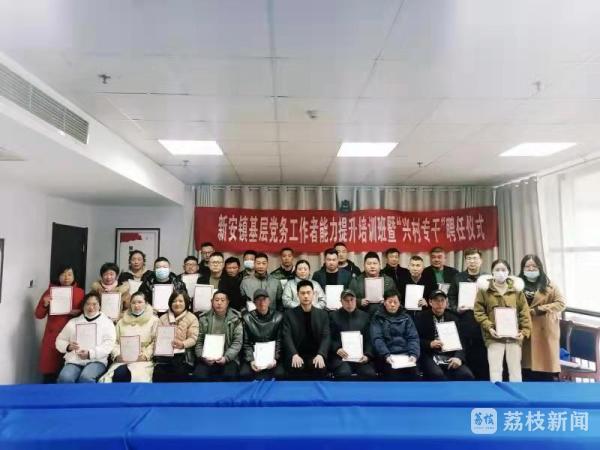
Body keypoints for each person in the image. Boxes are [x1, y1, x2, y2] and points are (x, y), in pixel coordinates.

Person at [474, 259, 532, 382]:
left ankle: (516, 394)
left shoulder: (517, 291)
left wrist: (524, 331)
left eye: (503, 270)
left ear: (508, 272)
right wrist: (489, 327)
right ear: (492, 272)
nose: (500, 272)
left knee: (515, 370)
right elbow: (479, 312)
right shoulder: (484, 290)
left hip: (514, 336)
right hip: (493, 336)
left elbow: (524, 312)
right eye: (497, 269)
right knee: (495, 370)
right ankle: (496, 394)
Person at [35, 264, 85, 383]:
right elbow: (38, 315)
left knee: (68, 370)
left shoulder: (80, 292)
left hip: (72, 336)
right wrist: (44, 304)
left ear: (74, 276)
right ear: (58, 276)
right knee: (50, 371)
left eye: (69, 274)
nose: (66, 277)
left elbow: (87, 314)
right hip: (52, 336)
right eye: (63, 274)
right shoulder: (50, 291)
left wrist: (78, 312)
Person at [518, 254, 566, 381]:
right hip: (524, 328)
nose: (531, 269)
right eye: (527, 266)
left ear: (540, 267)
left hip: (544, 329)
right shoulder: (516, 285)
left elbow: (561, 304)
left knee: (544, 367)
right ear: (522, 268)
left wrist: (540, 309)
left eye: (534, 266)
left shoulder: (550, 285)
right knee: (526, 367)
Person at [447, 248, 489, 381]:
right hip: (464, 319)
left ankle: (483, 382)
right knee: (467, 351)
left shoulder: (487, 278)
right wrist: (456, 308)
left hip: (483, 321)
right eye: (469, 259)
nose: (472, 261)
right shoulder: (458, 277)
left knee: (482, 354)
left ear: (481, 260)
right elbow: (451, 297)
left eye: (475, 258)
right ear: (465, 261)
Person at [55, 292, 116, 383]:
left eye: (94, 304)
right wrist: (68, 346)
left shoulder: (107, 322)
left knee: (86, 378)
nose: (91, 307)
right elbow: (60, 340)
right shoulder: (73, 322)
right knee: (65, 378)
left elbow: (109, 344)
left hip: (96, 360)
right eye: (87, 304)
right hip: (75, 360)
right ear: (83, 306)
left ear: (99, 306)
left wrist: (90, 354)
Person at [100, 291, 159, 383]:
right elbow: (114, 341)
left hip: (142, 360)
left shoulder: (154, 321)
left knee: (137, 378)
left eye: (140, 302)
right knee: (117, 375)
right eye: (133, 303)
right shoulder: (121, 322)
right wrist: (117, 355)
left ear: (146, 304)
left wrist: (145, 356)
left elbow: (156, 341)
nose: (136, 305)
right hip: (123, 358)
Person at [415, 290, 474, 381]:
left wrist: (458, 357)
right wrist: (429, 344)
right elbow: (415, 339)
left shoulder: (454, 318)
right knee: (437, 375)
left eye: (442, 300)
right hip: (429, 354)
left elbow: (462, 341)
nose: (440, 303)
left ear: (446, 302)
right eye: (436, 300)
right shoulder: (421, 317)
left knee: (467, 375)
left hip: (450, 354)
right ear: (430, 302)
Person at [282, 280, 330, 379]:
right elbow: (287, 337)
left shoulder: (323, 314)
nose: (306, 296)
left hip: (315, 354)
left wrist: (321, 354)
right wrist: (294, 354)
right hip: (297, 354)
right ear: (297, 295)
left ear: (314, 294)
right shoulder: (289, 315)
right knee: (296, 368)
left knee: (320, 368)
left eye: (308, 293)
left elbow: (326, 336)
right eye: (302, 293)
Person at [370, 289, 420, 381]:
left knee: (415, 375)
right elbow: (377, 339)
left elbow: (413, 338)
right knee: (393, 376)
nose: (392, 305)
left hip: (406, 356)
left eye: (395, 302)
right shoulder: (377, 317)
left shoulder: (406, 318)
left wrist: (413, 354)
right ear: (384, 302)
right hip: (387, 357)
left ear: (399, 303)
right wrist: (386, 355)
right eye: (390, 302)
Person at [193, 291, 243, 381]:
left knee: (229, 376)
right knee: (199, 376)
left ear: (227, 302)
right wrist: (203, 357)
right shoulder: (204, 319)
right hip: (207, 358)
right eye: (216, 300)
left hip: (228, 359)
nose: (219, 303)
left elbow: (237, 342)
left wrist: (226, 358)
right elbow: (199, 342)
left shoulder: (235, 319)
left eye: (222, 300)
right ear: (212, 301)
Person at [329, 289, 377, 380]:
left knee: (369, 373)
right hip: (340, 358)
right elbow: (329, 337)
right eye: (346, 300)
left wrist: (367, 355)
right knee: (344, 373)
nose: (349, 303)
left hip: (361, 357)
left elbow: (369, 339)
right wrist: (337, 349)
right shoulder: (333, 316)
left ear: (356, 300)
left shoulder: (365, 316)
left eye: (352, 300)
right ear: (341, 301)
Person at [153, 291, 199, 382]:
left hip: (184, 356)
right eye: (174, 301)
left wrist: (182, 344)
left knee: (179, 372)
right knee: (158, 373)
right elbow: (156, 337)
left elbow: (193, 338)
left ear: (186, 303)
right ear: (170, 303)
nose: (177, 304)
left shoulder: (192, 318)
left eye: (180, 301)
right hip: (164, 356)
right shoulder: (162, 318)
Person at [240, 289, 285, 380]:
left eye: (264, 299)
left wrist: (275, 358)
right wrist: (251, 360)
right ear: (254, 303)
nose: (262, 302)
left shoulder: (278, 316)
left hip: (272, 355)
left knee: (280, 373)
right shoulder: (247, 318)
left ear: (269, 301)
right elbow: (246, 343)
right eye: (258, 300)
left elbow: (279, 341)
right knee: (244, 373)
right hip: (254, 355)